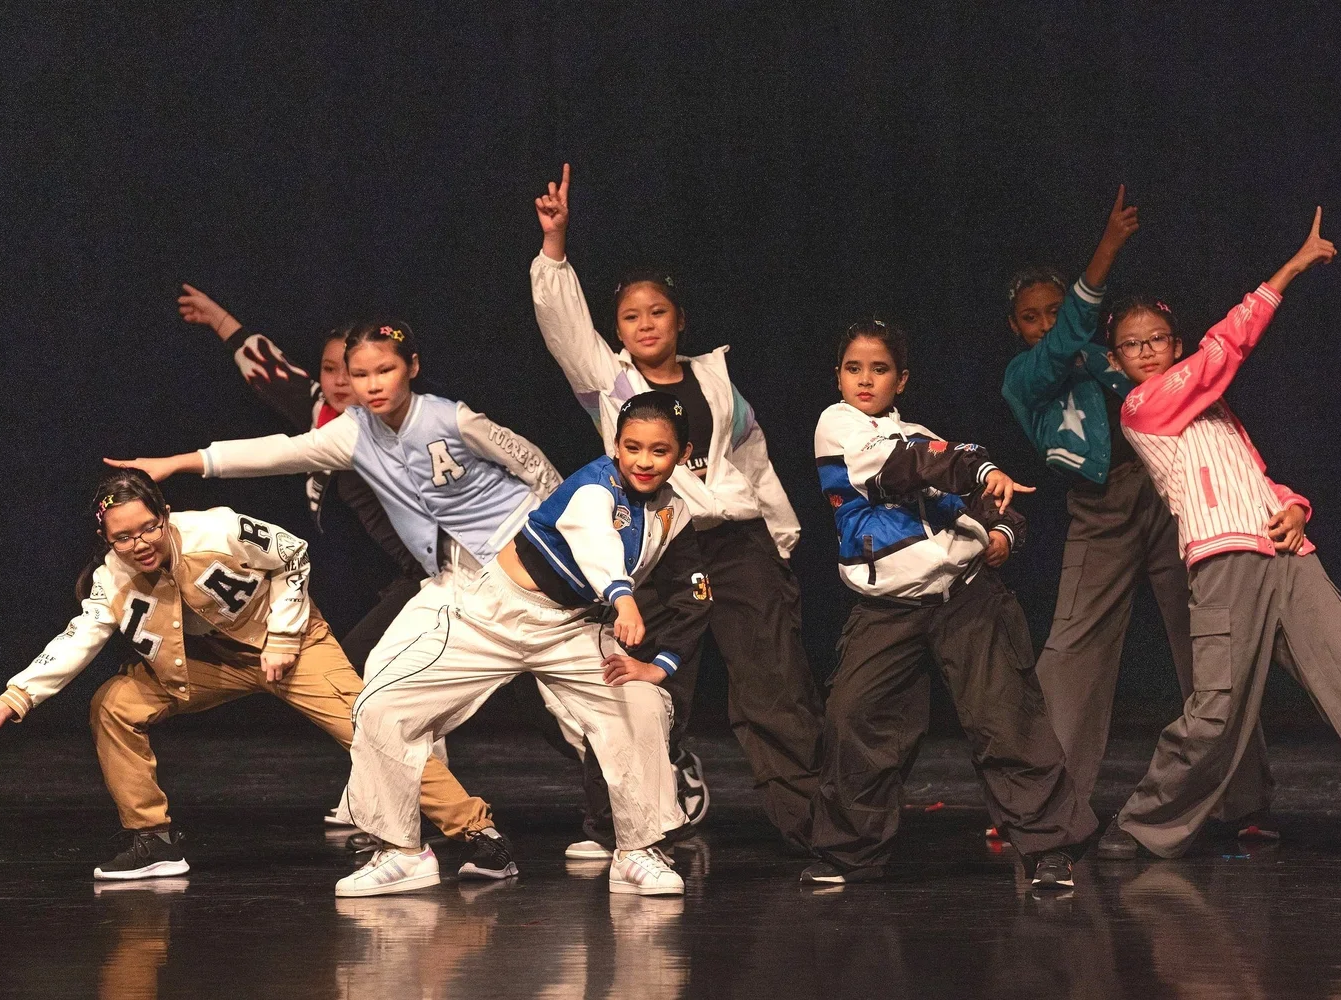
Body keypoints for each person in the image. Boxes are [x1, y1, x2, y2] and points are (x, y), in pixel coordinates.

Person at [104, 319, 563, 879]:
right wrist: (180, 462)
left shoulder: (452, 417)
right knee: (379, 703)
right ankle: (404, 848)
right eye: (358, 373)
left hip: (527, 575)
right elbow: (278, 452)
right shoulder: (352, 432)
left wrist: (564, 544)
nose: (370, 385)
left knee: (582, 707)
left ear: (412, 367)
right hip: (454, 585)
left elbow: (535, 465)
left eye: (385, 370)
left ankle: (636, 837)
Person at [1096, 209, 1341, 865]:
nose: (1149, 350)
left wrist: (1296, 507)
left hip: (1287, 557)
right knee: (1214, 717)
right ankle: (1141, 825)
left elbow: (1251, 476)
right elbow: (1226, 348)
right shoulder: (1145, 407)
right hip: (1225, 565)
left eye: (1159, 338)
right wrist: (1290, 271)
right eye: (1134, 344)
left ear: (1172, 343)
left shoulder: (1209, 406)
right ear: (1116, 359)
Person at [0, 469, 497, 880]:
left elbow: (292, 555)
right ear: (105, 538)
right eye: (124, 536)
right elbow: (79, 637)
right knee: (115, 703)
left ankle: (478, 833)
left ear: (165, 516)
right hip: (207, 667)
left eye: (149, 527)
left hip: (293, 648)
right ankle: (154, 840)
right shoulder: (112, 580)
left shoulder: (220, 530)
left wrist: (283, 636)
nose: (141, 542)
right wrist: (15, 698)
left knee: (370, 727)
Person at [529, 164, 823, 850]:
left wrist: (780, 540)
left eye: (656, 312)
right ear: (619, 330)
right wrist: (554, 246)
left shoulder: (716, 380)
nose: (644, 324)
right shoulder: (609, 383)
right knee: (647, 684)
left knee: (773, 685)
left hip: (737, 542)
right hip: (659, 548)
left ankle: (814, 829)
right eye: (630, 317)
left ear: (679, 319)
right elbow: (563, 327)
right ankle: (621, 826)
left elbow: (753, 459)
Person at [336, 392, 708, 897]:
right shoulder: (593, 486)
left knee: (641, 704)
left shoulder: (675, 514)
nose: (643, 460)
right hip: (494, 615)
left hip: (571, 628)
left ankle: (637, 850)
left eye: (659, 451)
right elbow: (594, 537)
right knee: (383, 705)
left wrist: (658, 668)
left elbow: (695, 594)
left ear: (682, 455)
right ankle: (401, 854)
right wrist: (623, 599)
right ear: (615, 446)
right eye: (632, 447)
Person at [1000, 189, 1275, 835]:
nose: (1047, 324)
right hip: (1100, 510)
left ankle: (1241, 801)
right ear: (1018, 328)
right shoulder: (1026, 375)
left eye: (1054, 312)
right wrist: (1108, 249)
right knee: (1072, 651)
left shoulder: (1108, 357)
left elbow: (1181, 393)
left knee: (1208, 640)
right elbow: (1065, 339)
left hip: (1170, 495)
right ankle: (1041, 806)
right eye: (1032, 316)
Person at [803, 319, 1098, 889]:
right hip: (887, 607)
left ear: (902, 379)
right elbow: (911, 464)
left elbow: (978, 497)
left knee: (1005, 718)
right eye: (853, 368)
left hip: (966, 597)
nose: (865, 380)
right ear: (837, 376)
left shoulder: (919, 434)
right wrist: (979, 464)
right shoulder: (837, 427)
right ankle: (849, 852)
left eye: (880, 369)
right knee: (855, 717)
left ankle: (1050, 847)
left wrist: (1004, 532)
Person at [174, 285, 426, 670]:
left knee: (364, 670)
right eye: (329, 369)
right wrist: (217, 318)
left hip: (420, 574)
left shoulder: (399, 429)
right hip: (361, 576)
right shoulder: (318, 411)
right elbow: (271, 372)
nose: (341, 381)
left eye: (352, 370)